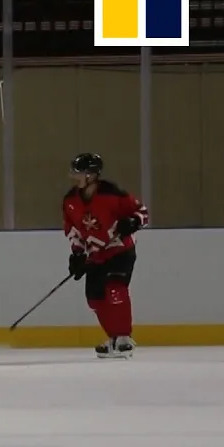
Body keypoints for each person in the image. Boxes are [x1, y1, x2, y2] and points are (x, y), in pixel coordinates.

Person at [63, 152, 149, 358]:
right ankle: (113, 337)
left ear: (91, 175)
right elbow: (73, 229)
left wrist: (134, 222)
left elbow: (142, 212)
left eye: (79, 172)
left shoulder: (113, 194)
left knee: (115, 288)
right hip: (96, 255)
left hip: (120, 250)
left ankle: (124, 338)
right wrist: (77, 254)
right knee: (94, 298)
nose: (74, 176)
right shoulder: (70, 200)